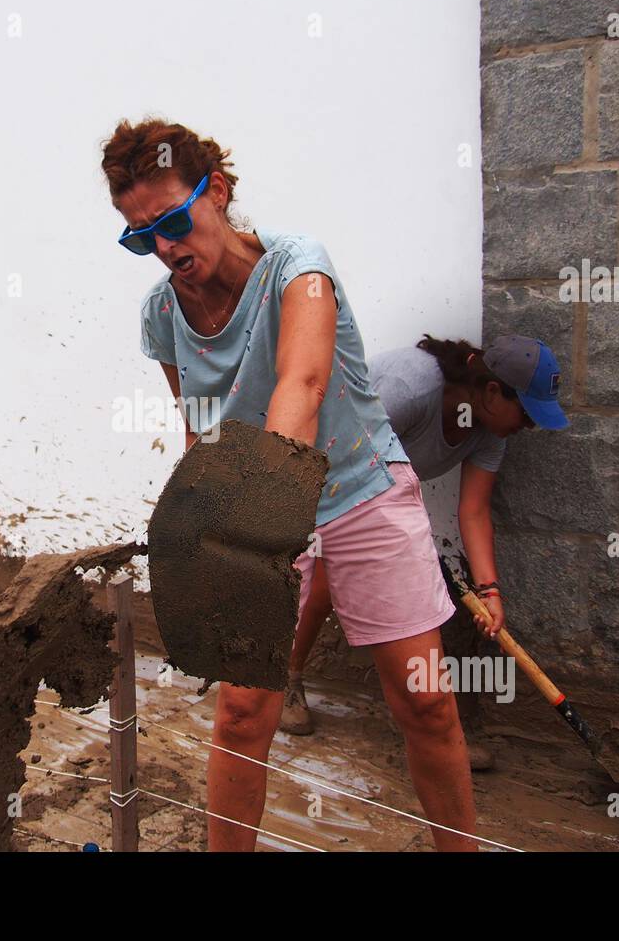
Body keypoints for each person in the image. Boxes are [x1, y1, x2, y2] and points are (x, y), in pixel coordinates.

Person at [103, 117, 478, 851]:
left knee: (426, 702)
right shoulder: (162, 314)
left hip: (356, 488)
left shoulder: (299, 266)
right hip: (256, 509)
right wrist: (202, 526)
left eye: (175, 221)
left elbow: (301, 387)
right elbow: (201, 426)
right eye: (141, 236)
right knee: (243, 713)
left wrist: (256, 522)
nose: (166, 247)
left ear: (215, 191)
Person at [280, 334, 570, 771]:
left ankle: (428, 723)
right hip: (324, 467)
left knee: (414, 604)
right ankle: (284, 678)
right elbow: (339, 452)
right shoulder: (410, 387)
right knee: (325, 573)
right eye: (527, 415)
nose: (527, 427)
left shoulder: (490, 431)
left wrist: (490, 592)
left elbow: (472, 512)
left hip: (379, 496)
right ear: (493, 391)